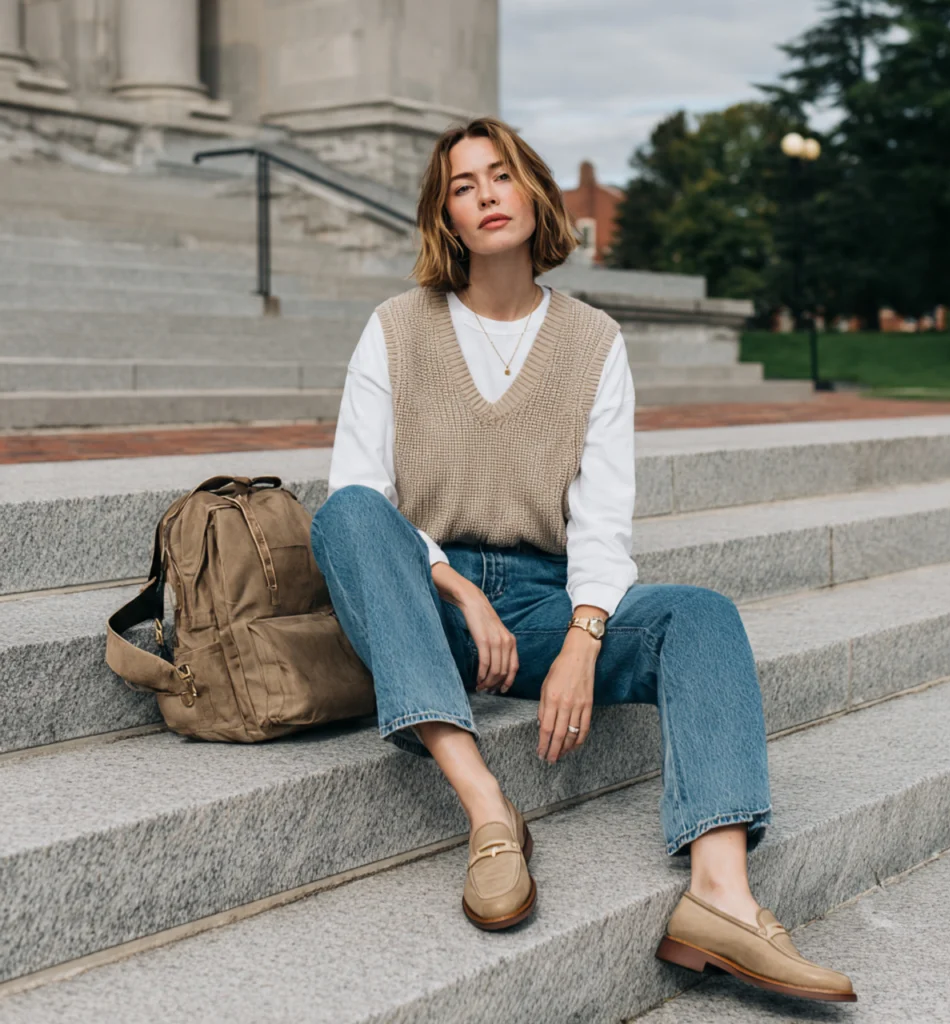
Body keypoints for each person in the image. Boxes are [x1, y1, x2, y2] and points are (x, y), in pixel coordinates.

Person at [309, 115, 856, 1005]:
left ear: (531, 193)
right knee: (349, 512)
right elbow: (362, 493)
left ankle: (719, 896)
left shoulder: (593, 342)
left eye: (501, 176)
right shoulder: (396, 330)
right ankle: (489, 811)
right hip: (425, 597)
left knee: (702, 614)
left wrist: (584, 635)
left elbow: (601, 525)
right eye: (462, 185)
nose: (485, 195)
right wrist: (453, 584)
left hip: (541, 600)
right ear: (445, 216)